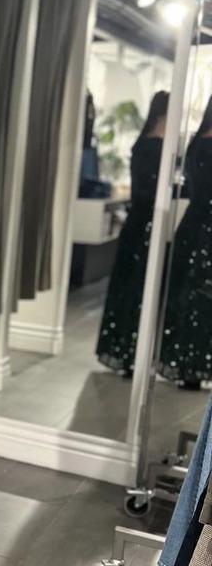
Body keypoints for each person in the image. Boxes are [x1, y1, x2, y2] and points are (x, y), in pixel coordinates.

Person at [96, 91, 168, 375]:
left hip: (138, 224)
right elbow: (150, 191)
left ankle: (126, 352)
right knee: (138, 287)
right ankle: (130, 353)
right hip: (146, 226)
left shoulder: (143, 146)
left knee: (131, 287)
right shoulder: (156, 148)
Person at [158, 95, 212, 389]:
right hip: (204, 229)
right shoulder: (204, 145)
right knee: (199, 298)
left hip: (193, 225)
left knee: (189, 295)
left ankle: (187, 363)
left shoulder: (195, 144)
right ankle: (193, 365)